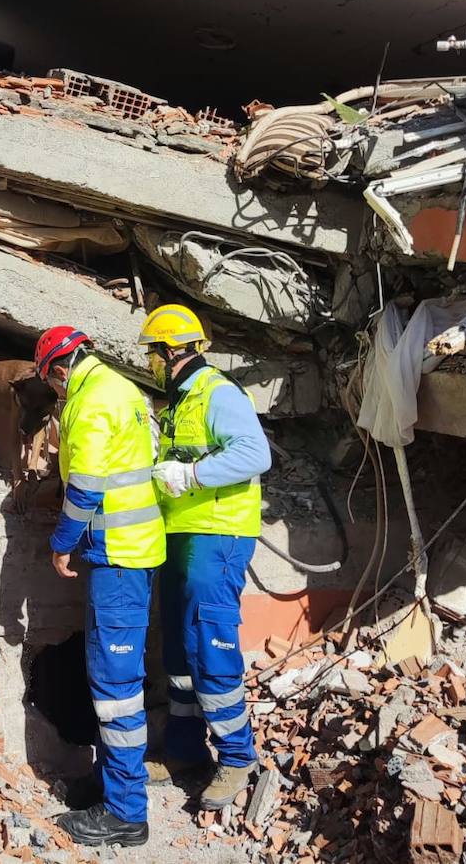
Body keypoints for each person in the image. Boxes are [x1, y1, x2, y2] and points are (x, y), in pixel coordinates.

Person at [36, 326, 165, 850]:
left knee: (115, 689)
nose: (56, 392)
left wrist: (62, 541)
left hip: (119, 557)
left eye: (53, 383)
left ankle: (126, 813)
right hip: (132, 548)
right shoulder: (121, 387)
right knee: (110, 678)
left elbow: (86, 484)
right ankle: (111, 783)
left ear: (60, 369)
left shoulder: (89, 402)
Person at [139, 304, 272, 810]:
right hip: (182, 534)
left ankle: (237, 758)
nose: (150, 363)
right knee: (178, 648)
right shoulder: (181, 401)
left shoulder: (217, 393)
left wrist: (193, 477)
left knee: (209, 644)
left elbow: (255, 455)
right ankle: (184, 750)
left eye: (153, 353)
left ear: (172, 352)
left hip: (217, 537)